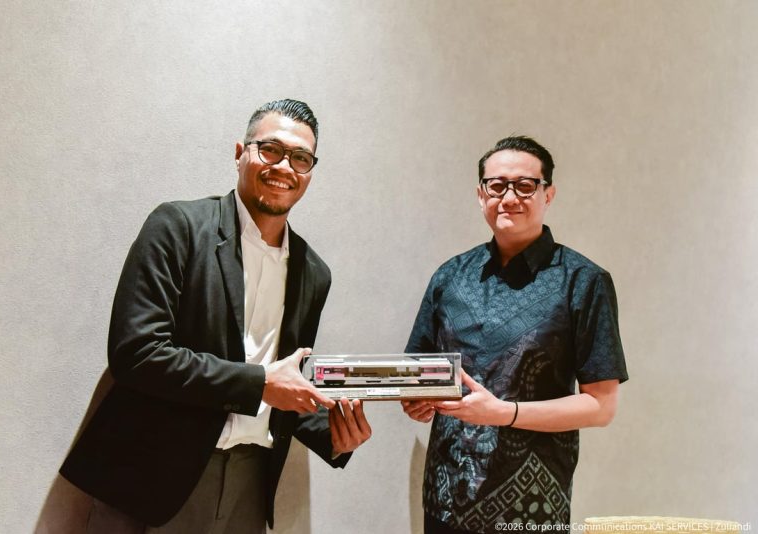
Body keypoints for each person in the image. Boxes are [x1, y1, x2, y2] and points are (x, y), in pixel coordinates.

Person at [60, 99, 372, 533]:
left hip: (250, 481)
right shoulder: (177, 226)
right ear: (240, 152)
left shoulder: (314, 272)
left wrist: (333, 436)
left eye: (301, 158)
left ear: (310, 173)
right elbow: (137, 353)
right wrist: (260, 383)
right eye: (271, 150)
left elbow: (285, 384)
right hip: (150, 473)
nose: (285, 167)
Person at [402, 136, 628, 532]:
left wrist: (505, 414)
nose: (509, 197)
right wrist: (416, 399)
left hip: (532, 508)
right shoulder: (450, 276)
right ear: (481, 194)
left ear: (548, 194)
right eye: (497, 185)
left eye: (525, 186)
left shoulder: (583, 282)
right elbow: (418, 371)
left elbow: (601, 406)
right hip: (445, 500)